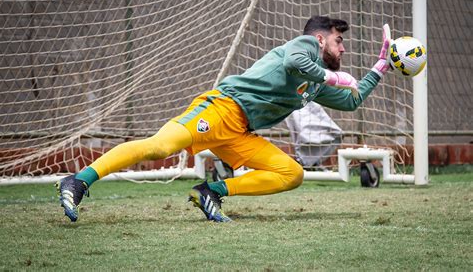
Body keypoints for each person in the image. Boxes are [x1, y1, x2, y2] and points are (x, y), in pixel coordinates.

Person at [56, 16, 391, 222]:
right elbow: (294, 61)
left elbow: (353, 100)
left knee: (291, 173)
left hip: (241, 132)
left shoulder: (315, 84)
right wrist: (334, 77)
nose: (343, 48)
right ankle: (79, 180)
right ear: (320, 39)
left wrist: (379, 67)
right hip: (221, 109)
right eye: (339, 40)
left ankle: (211, 191)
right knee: (160, 148)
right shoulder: (303, 46)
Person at [285, 102, 342, 168]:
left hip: (308, 99)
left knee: (336, 133)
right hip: (295, 102)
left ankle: (310, 163)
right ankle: (304, 162)